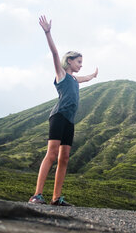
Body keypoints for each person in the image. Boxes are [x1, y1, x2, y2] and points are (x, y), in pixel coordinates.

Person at [29, 15, 98, 206]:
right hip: (58, 117)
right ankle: (37, 195)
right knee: (52, 154)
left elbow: (83, 78)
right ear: (69, 62)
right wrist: (48, 32)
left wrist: (92, 75)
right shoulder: (61, 75)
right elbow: (54, 53)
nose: (80, 65)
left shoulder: (75, 80)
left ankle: (56, 198)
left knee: (64, 158)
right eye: (78, 62)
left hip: (69, 120)